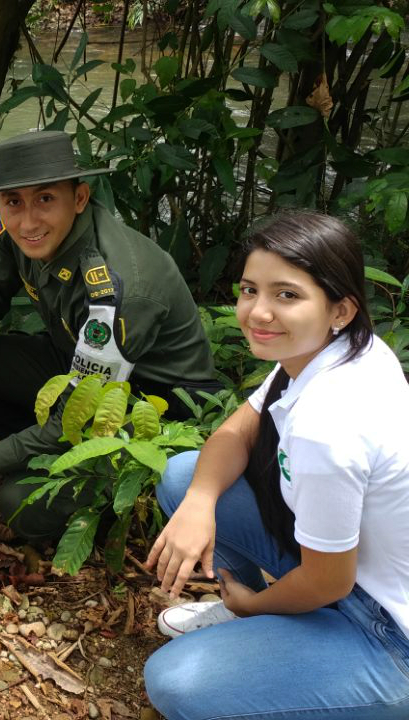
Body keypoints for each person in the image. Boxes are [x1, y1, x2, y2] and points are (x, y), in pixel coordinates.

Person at [143, 212, 409, 719]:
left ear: (340, 309)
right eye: (249, 290)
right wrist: (199, 505)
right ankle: (264, 627)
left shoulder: (328, 426)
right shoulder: (338, 350)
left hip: (388, 634)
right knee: (186, 478)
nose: (258, 313)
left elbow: (328, 583)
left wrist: (254, 605)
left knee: (175, 683)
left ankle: (263, 623)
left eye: (287, 295)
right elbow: (233, 433)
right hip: (346, 574)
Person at [0, 130, 218, 542]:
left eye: (45, 199)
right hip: (79, 371)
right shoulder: (17, 236)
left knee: (21, 503)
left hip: (151, 407)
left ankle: (127, 500)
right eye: (13, 202)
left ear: (79, 198)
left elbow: (75, 416)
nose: (28, 221)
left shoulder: (115, 287)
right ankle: (32, 453)